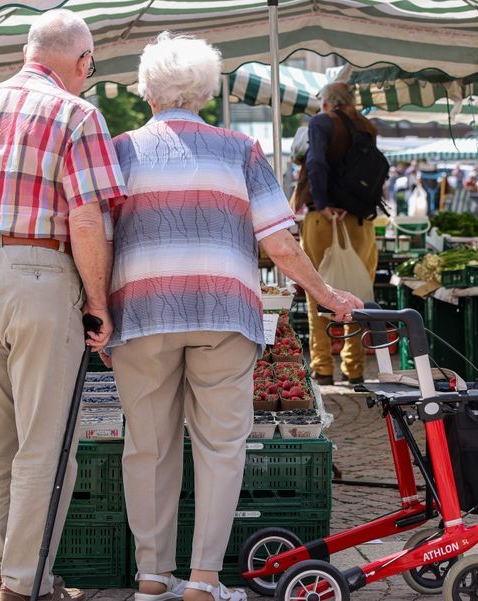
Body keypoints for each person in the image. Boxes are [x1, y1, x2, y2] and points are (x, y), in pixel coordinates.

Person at [105, 33, 363, 601]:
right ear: (203, 90)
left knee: (148, 446)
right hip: (225, 312)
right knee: (222, 447)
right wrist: (324, 293)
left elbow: (97, 238)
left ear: (147, 90)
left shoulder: (119, 151)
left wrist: (97, 307)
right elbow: (281, 243)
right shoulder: (240, 151)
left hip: (142, 313)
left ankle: (152, 577)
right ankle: (202, 581)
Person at [0, 10, 125, 601]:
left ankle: (4, 574)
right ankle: (21, 583)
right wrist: (97, 301)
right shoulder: (77, 113)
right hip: (37, 271)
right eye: (91, 64)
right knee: (47, 443)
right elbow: (86, 217)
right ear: (81, 61)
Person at [298, 82, 380, 385]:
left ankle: (322, 367)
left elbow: (316, 162)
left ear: (328, 103)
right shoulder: (367, 127)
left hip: (323, 219)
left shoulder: (321, 123)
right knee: (356, 295)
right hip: (360, 222)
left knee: (316, 291)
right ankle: (354, 368)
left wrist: (322, 202)